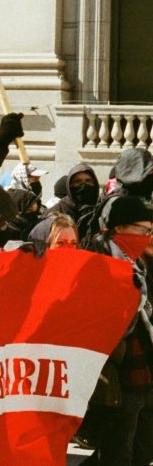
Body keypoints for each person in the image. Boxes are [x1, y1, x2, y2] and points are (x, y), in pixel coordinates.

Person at [85, 196, 153, 465]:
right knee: (117, 451)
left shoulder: (141, 262)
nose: (148, 236)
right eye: (143, 230)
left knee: (144, 447)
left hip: (144, 367)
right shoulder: (97, 261)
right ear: (119, 228)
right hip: (117, 372)